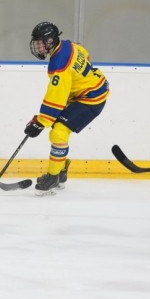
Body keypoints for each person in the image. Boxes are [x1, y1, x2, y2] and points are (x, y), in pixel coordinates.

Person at [24, 22, 109, 196]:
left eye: (40, 43)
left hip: (91, 98)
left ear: (50, 41)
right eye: (37, 43)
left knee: (59, 132)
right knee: (58, 129)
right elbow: (84, 53)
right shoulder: (68, 45)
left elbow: (56, 97)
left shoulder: (59, 64)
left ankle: (53, 177)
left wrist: (41, 122)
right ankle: (61, 171)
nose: (38, 47)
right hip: (88, 92)